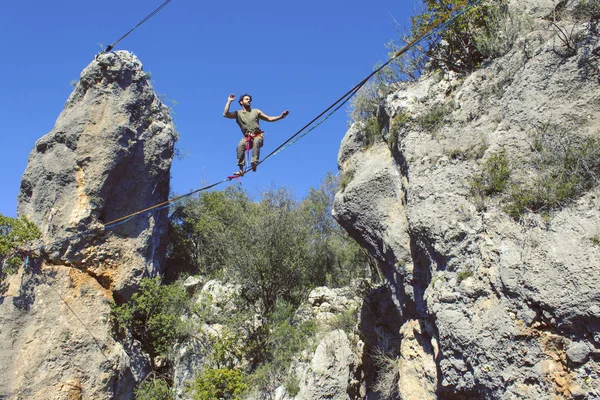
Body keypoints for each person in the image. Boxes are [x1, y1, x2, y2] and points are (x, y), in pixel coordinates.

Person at [223, 94, 289, 175]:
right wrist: (229, 101)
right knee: (240, 145)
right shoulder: (238, 113)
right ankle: (241, 170)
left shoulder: (256, 111)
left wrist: (281, 116)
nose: (249, 101)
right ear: (241, 102)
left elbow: (269, 118)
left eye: (249, 100)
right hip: (247, 138)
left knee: (257, 141)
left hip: (257, 135)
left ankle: (254, 162)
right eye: (246, 99)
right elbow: (225, 114)